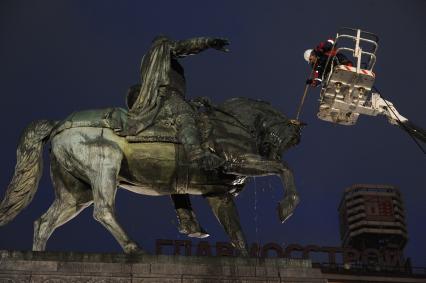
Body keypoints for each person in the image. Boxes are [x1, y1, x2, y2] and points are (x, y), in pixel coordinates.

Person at [121, 35, 229, 170]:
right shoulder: (161, 50)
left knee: (201, 118)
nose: (171, 43)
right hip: (166, 96)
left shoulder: (154, 60)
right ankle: (196, 155)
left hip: (172, 95)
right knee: (184, 116)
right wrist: (207, 42)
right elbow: (183, 47)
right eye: (169, 42)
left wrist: (195, 102)